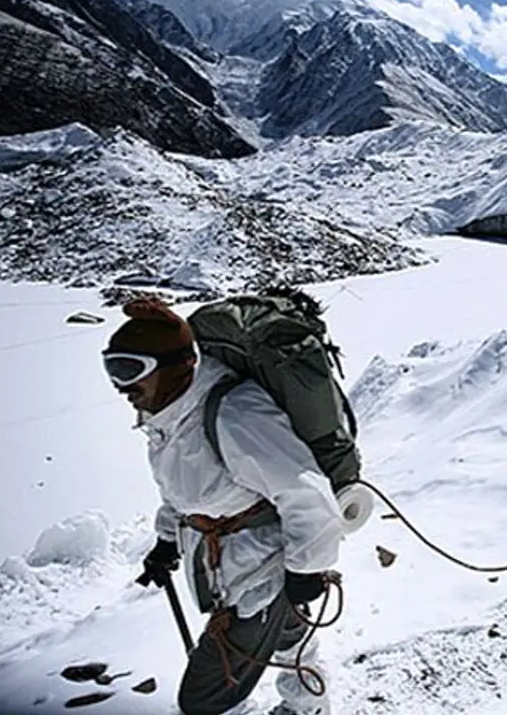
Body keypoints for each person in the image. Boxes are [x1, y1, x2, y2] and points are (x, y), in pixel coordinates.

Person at [104, 299, 345, 715]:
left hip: (260, 564)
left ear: (175, 365)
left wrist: (305, 571)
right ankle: (309, 706)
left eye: (130, 369)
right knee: (287, 632)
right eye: (112, 369)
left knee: (205, 697)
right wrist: (167, 543)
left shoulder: (233, 413)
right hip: (227, 561)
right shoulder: (171, 416)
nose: (121, 386)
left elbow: (306, 494)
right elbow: (183, 489)